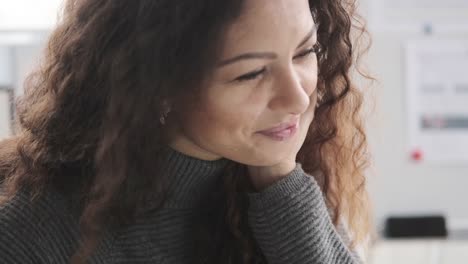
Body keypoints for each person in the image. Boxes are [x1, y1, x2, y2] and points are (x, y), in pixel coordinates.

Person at [0, 0, 372, 263]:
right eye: (250, 74)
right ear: (158, 85)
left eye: (305, 51)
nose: (297, 97)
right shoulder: (36, 230)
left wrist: (279, 177)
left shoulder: (284, 188)